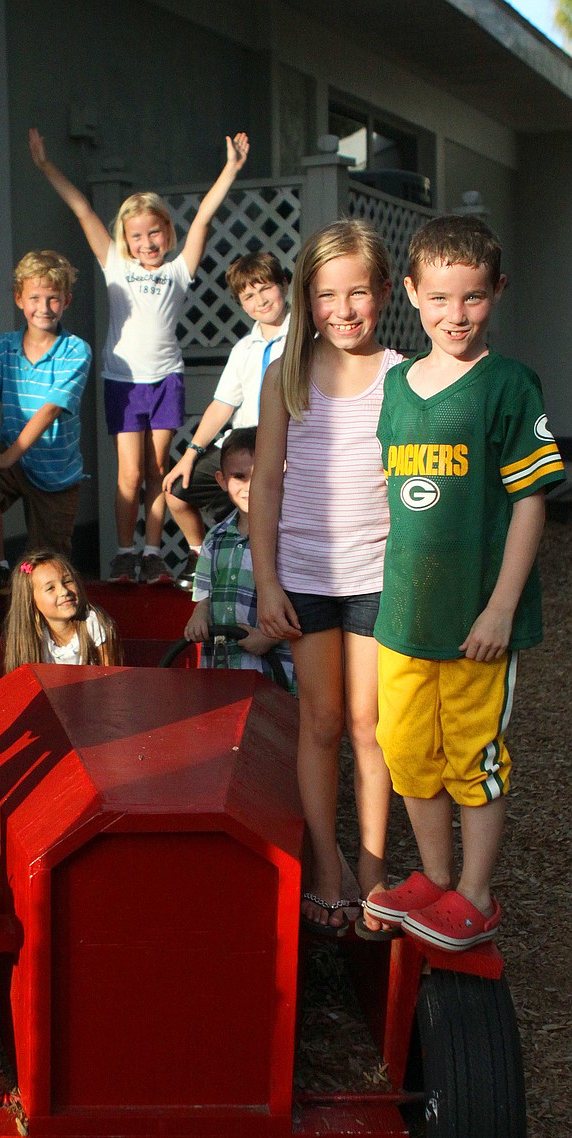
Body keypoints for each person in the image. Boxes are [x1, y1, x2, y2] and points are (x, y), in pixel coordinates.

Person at [364, 215, 565, 952]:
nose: (457, 315)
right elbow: (396, 500)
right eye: (441, 298)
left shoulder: (509, 385)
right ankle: (436, 877)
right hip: (406, 618)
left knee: (474, 755)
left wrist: (502, 608)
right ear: (411, 293)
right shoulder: (395, 387)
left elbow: (530, 501)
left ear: (498, 292)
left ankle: (477, 894)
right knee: (406, 747)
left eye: (474, 298)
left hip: (476, 621)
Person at [250, 220, 400, 939]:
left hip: (378, 575)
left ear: (383, 294)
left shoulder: (403, 375)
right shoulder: (287, 371)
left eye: (358, 293)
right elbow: (268, 485)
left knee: (372, 726)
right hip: (306, 574)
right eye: (326, 294)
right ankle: (328, 865)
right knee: (322, 720)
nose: (343, 309)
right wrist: (266, 578)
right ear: (306, 297)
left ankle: (373, 872)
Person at [29, 125, 249, 583]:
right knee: (128, 474)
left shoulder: (178, 270)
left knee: (157, 471)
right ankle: (124, 550)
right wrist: (47, 165)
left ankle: (152, 552)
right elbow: (81, 208)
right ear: (124, 240)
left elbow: (205, 218)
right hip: (123, 381)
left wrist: (229, 169)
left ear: (167, 233)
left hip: (165, 378)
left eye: (154, 233)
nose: (146, 243)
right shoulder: (115, 264)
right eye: (136, 236)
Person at [0, 250, 91, 598]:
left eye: (53, 298)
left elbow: (50, 409)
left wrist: (7, 457)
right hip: (12, 456)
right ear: (20, 299)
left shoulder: (75, 350)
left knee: (49, 568)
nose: (44, 307)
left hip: (56, 473)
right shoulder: (4, 347)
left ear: (66, 301)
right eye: (35, 297)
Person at [163, 252, 290, 588]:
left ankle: (266, 576)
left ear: (284, 285)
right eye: (249, 296)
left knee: (269, 516)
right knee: (177, 491)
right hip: (240, 446)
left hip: (283, 445)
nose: (260, 301)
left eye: (266, 289)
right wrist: (190, 453)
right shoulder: (245, 348)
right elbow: (222, 404)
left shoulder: (307, 339)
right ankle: (200, 557)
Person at [184, 427, 295, 689]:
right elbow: (204, 592)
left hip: (275, 668)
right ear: (222, 480)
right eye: (239, 476)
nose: (249, 487)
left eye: (259, 476)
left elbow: (302, 599)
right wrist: (199, 615)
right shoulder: (216, 537)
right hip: (225, 666)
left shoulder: (289, 534)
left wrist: (269, 637)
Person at [3, 551, 122, 671]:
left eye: (67, 581)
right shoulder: (29, 637)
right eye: (50, 588)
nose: (64, 591)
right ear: (30, 601)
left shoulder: (93, 624)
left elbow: (110, 677)